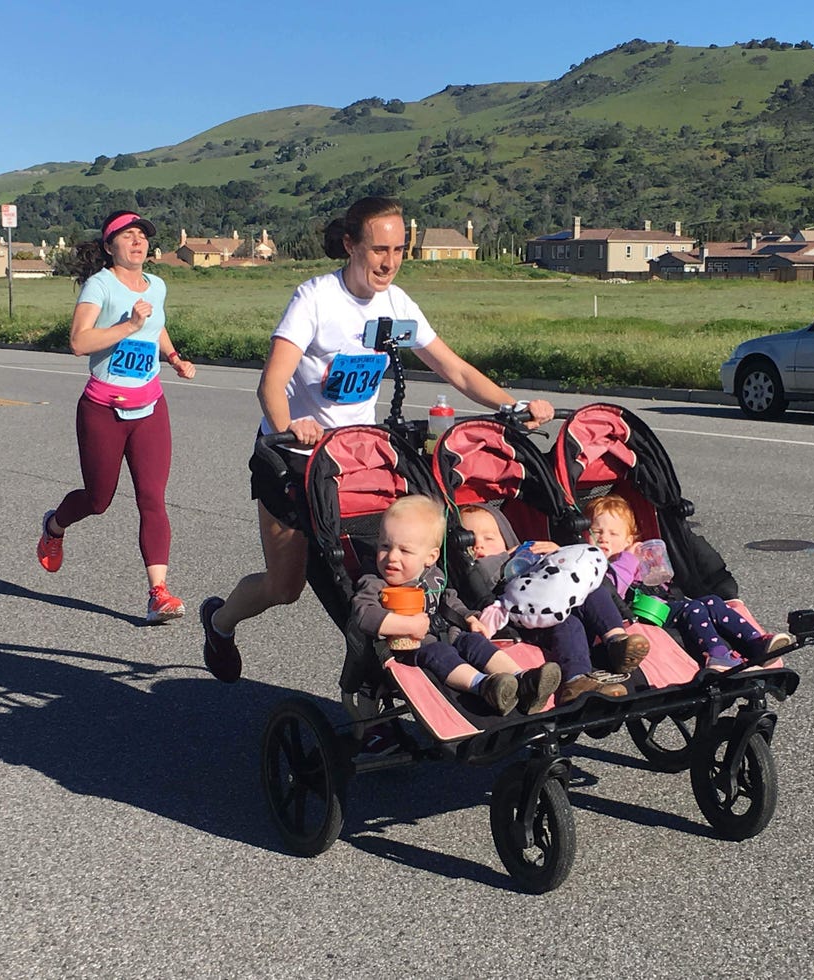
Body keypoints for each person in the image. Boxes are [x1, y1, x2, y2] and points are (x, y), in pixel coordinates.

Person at [199, 196, 554, 683]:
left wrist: (510, 405)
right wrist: (290, 429)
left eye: (400, 249)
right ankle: (220, 622)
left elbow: (452, 368)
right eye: (379, 248)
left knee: (384, 571)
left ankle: (393, 676)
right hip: (294, 462)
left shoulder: (397, 302)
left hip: (361, 462)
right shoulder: (316, 298)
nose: (389, 261)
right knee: (285, 587)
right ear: (350, 245)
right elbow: (271, 382)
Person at [36, 210, 196, 623]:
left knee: (152, 499)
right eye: (128, 235)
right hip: (103, 409)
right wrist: (127, 324)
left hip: (150, 406)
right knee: (98, 499)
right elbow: (78, 342)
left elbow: (155, 325)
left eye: (142, 235)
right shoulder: (100, 285)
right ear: (110, 246)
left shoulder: (156, 285)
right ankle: (54, 526)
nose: (138, 241)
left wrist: (174, 357)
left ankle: (158, 593)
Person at [351, 496, 561, 715]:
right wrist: (406, 626)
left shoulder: (434, 575)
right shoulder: (375, 582)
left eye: (405, 551)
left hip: (449, 633)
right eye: (384, 546)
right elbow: (363, 614)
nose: (391, 556)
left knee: (475, 642)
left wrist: (468, 616)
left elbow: (449, 600)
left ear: (430, 557)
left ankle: (522, 679)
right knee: (440, 653)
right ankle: (484, 686)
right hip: (413, 648)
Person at [584, 494, 794, 670]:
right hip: (639, 614)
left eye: (613, 533)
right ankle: (717, 654)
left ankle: (757, 642)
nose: (604, 538)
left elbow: (660, 579)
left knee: (711, 600)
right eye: (597, 532)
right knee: (693, 608)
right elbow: (614, 589)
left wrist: (651, 564)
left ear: (629, 540)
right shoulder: (595, 564)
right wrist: (628, 558)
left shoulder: (635, 558)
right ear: (585, 535)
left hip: (660, 605)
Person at [457, 504, 642, 702]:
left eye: (489, 538)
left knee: (593, 590)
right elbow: (482, 581)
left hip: (562, 599)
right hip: (526, 618)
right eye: (470, 541)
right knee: (569, 624)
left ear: (506, 539)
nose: (478, 545)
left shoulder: (525, 556)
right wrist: (506, 556)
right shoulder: (480, 573)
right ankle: (576, 681)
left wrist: (558, 553)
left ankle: (616, 641)